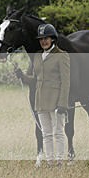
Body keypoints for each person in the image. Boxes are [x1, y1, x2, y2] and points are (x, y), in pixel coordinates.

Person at [15, 23, 70, 166]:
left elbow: (66, 82)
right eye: (41, 39)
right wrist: (22, 76)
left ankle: (59, 161)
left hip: (56, 100)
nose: (43, 41)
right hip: (40, 100)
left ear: (53, 39)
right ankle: (50, 161)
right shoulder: (38, 56)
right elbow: (35, 79)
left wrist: (63, 103)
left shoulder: (62, 55)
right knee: (46, 133)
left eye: (46, 38)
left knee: (58, 132)